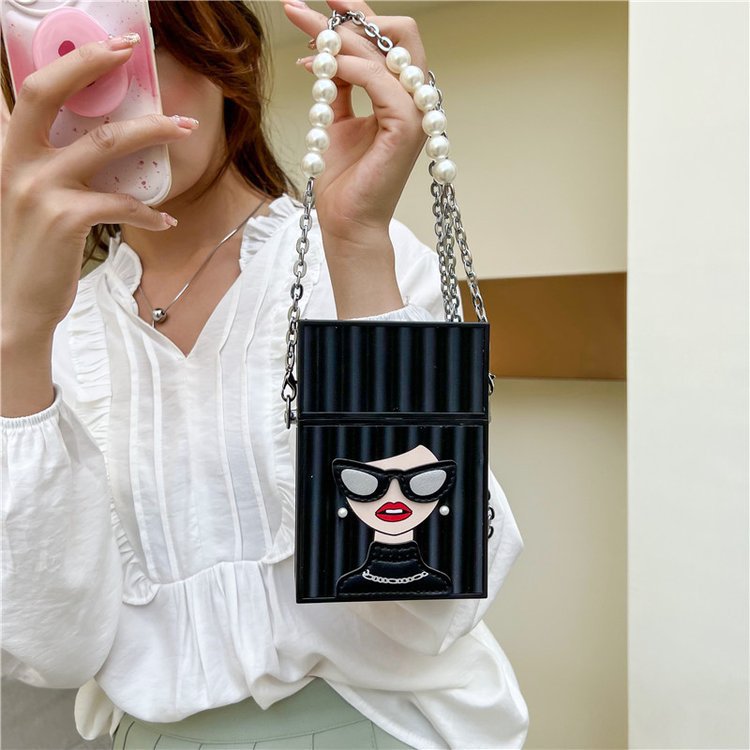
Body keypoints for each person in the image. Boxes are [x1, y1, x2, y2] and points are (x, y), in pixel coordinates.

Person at [0, 1, 529, 748]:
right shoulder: (53, 330)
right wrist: (18, 338)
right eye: (62, 61)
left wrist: (356, 241)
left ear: (226, 58)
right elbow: (51, 650)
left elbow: (429, 593)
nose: (105, 99)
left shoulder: (358, 261)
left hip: (377, 725)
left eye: (138, 50)